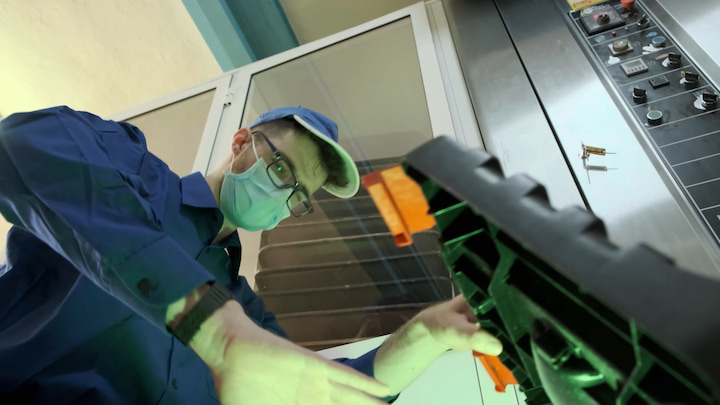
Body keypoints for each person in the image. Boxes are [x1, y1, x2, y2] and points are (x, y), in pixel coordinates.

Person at [0, 105, 502, 405]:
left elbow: (337, 392)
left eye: (299, 196)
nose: (286, 202)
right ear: (242, 141)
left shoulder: (246, 308)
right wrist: (214, 327)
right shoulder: (136, 179)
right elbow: (23, 142)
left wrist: (427, 332)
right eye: (284, 171)